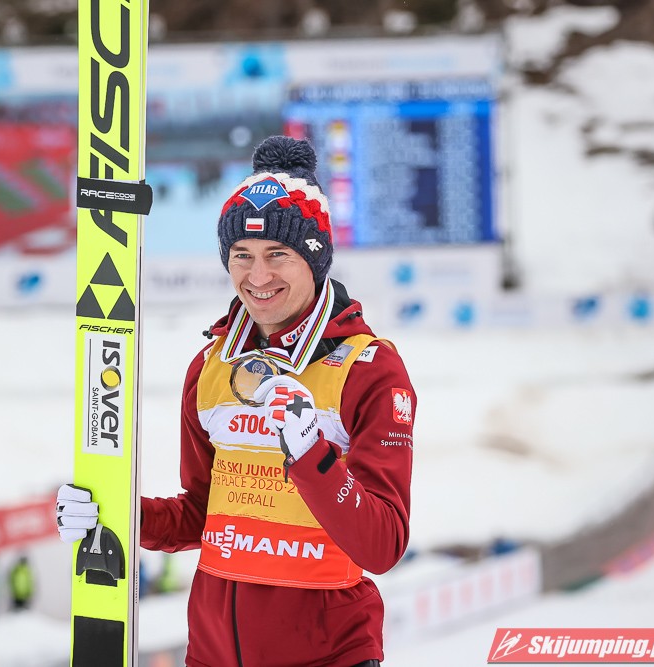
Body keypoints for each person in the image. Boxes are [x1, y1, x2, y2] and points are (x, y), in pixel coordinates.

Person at [57, 135, 415, 666]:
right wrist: (117, 517)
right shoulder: (210, 367)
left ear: (315, 259)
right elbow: (201, 514)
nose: (258, 276)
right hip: (212, 654)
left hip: (327, 655)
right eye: (241, 255)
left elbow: (382, 545)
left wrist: (311, 455)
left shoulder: (369, 369)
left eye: (278, 255)